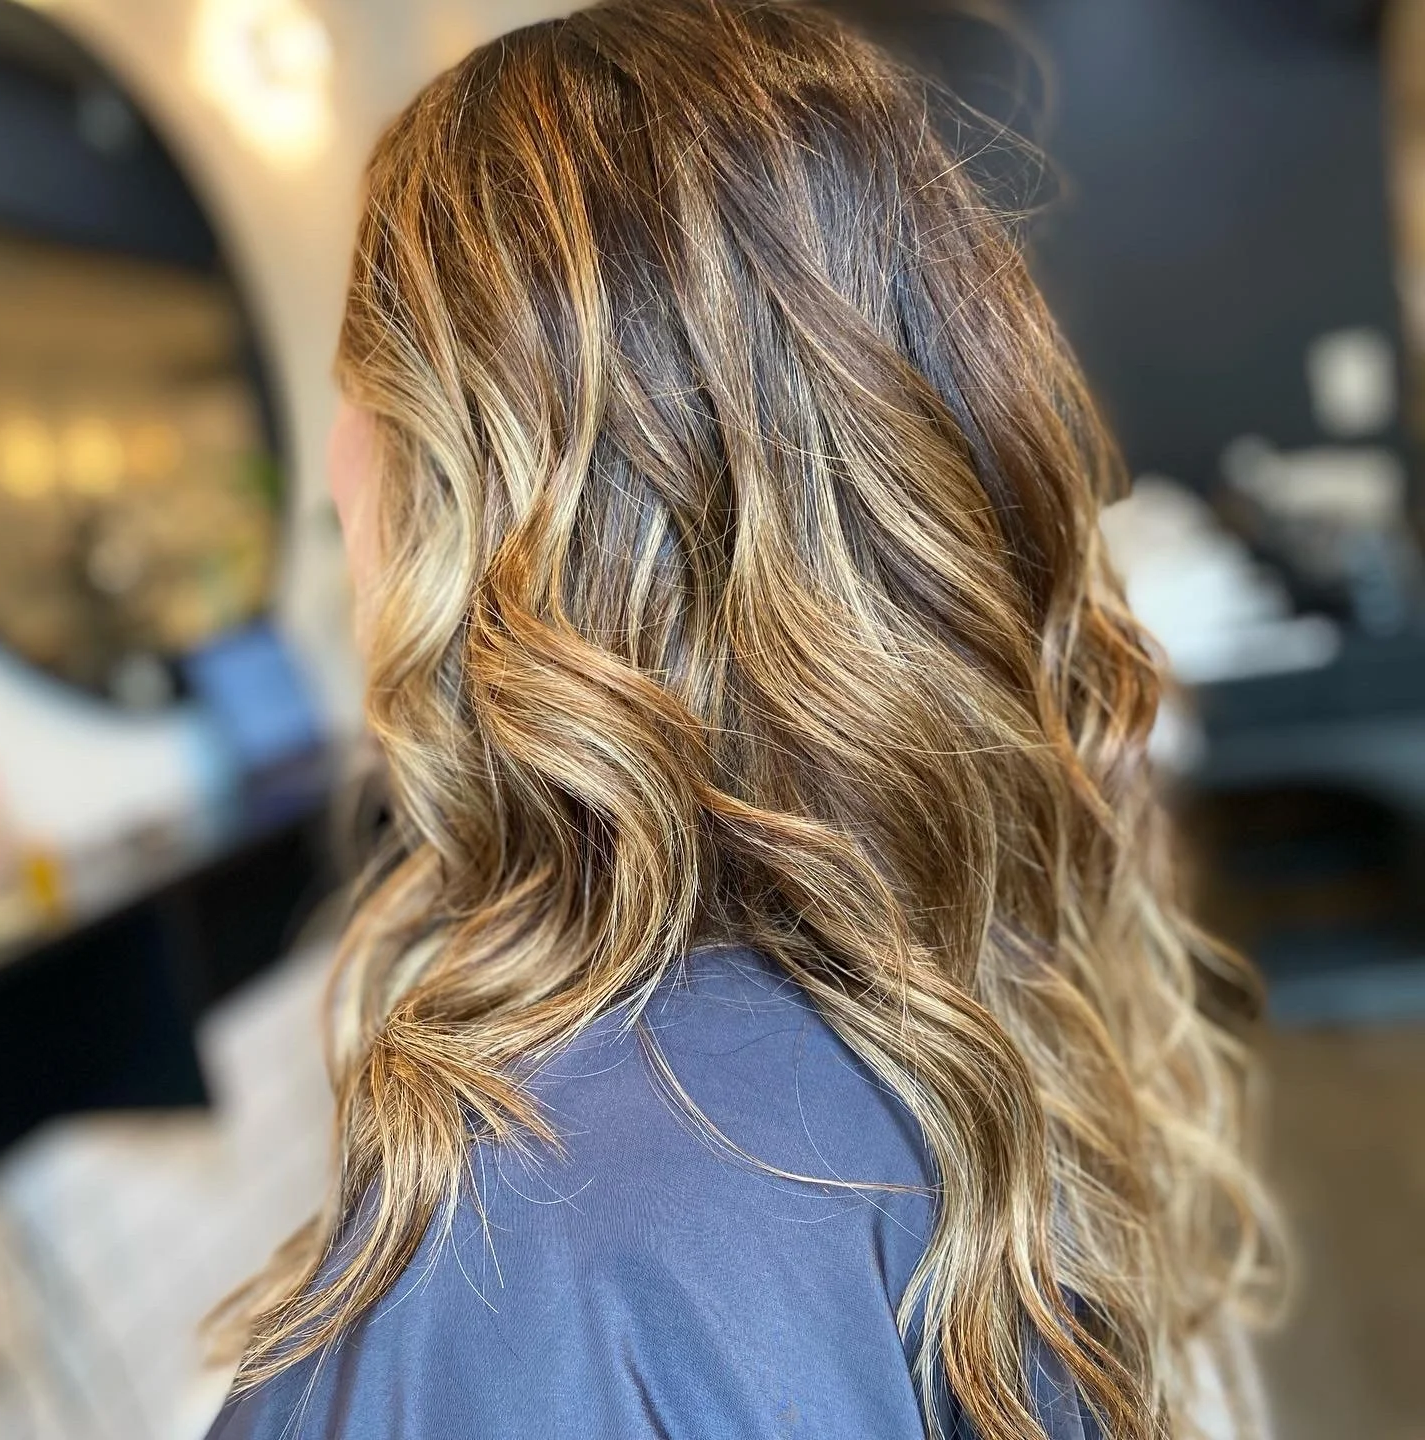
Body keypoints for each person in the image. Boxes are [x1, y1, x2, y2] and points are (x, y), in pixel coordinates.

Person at [207, 2, 1282, 1435]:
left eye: (363, 389)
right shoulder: (954, 981)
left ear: (469, 484)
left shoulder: (546, 1238)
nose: (340, 458)